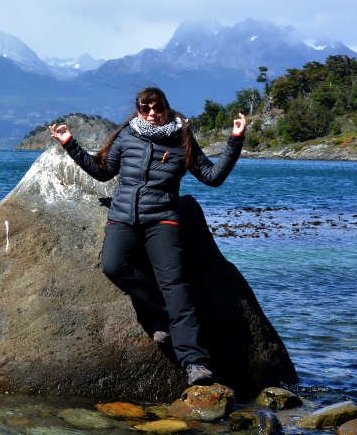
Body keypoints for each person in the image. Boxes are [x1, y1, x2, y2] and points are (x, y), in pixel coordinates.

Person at [48, 87, 246, 386]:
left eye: (157, 107)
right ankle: (164, 313)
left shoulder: (182, 138)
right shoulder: (127, 135)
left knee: (175, 286)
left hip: (163, 219)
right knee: (113, 267)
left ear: (166, 107)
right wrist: (70, 144)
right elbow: (102, 171)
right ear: (138, 109)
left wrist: (235, 141)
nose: (152, 113)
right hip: (123, 217)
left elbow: (212, 177)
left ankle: (195, 362)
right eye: (145, 108)